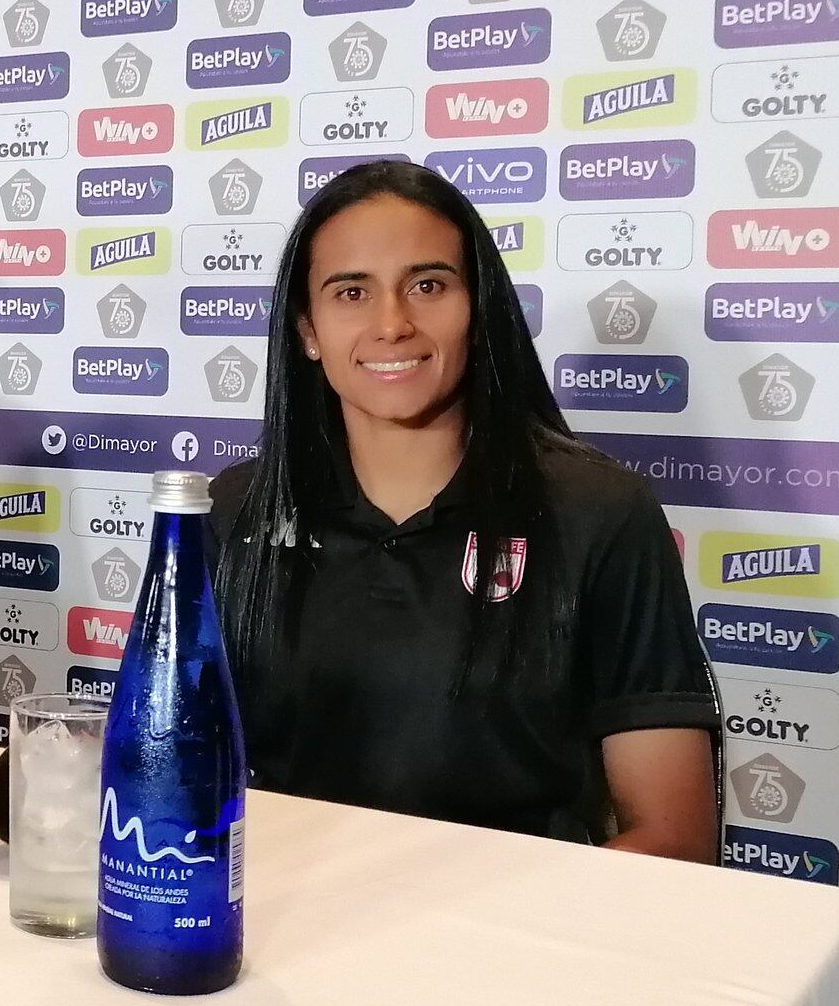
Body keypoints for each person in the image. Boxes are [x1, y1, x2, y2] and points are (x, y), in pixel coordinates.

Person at [209, 161, 720, 860]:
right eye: (351, 291)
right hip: (285, 933)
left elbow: (676, 837)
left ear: (478, 308)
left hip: (522, 950)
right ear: (308, 330)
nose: (392, 323)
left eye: (427, 285)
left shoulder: (601, 513)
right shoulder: (228, 514)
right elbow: (158, 772)